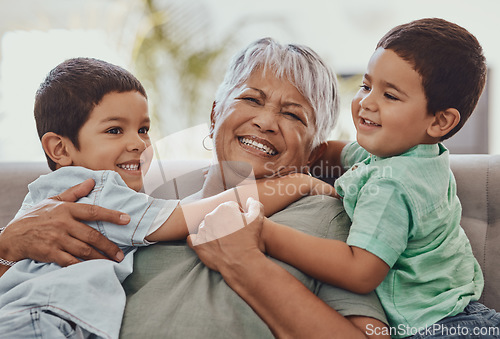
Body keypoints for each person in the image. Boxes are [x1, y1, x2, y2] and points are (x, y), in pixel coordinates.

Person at [0, 39, 390, 338]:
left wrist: (247, 266)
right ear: (214, 115)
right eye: (250, 99)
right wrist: (6, 249)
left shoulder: (325, 214)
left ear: (314, 151)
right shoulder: (136, 205)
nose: (266, 122)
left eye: (293, 114)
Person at [210, 19, 499, 338]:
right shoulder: (399, 153)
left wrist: (263, 233)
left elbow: (360, 271)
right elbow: (331, 153)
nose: (367, 103)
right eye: (366, 86)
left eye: (390, 96)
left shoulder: (393, 184)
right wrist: (299, 154)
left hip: (446, 328)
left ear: (440, 121)